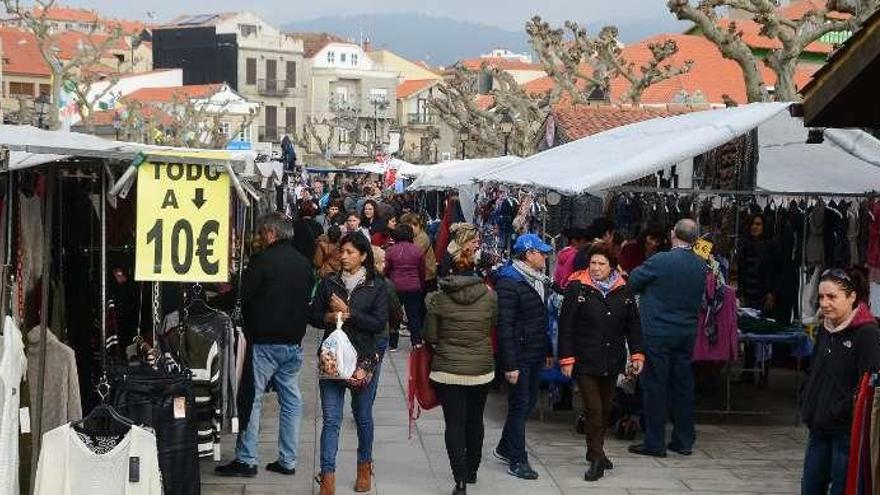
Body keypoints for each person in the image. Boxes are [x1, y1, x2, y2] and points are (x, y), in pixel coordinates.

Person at [216, 213, 314, 478]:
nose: (260, 237)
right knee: (291, 400)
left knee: (253, 398)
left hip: (264, 341)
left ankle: (247, 459)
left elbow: (242, 296)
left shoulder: (263, 262)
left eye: (262, 233)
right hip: (293, 341)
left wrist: (213, 302)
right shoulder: (304, 263)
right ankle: (288, 460)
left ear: (270, 233)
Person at [558, 242, 643, 482]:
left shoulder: (623, 289)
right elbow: (566, 327)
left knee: (606, 409)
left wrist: (637, 354)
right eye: (593, 263)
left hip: (612, 359)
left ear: (611, 266)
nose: (596, 268)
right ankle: (596, 459)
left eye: (601, 264)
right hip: (585, 360)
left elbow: (633, 326)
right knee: (594, 410)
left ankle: (596, 449)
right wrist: (566, 358)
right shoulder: (577, 288)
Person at [311, 233, 388, 494]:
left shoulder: (377, 285)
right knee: (331, 419)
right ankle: (328, 476)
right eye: (342, 251)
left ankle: (364, 467)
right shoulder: (328, 282)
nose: (343, 256)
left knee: (362, 415)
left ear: (364, 256)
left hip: (362, 358)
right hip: (332, 357)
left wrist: (350, 314)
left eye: (350, 252)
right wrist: (331, 316)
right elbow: (312, 316)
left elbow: (379, 324)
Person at [627, 219, 707, 458]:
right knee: (683, 386)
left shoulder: (661, 260)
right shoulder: (700, 264)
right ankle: (683, 440)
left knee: (655, 386)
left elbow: (633, 281)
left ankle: (655, 442)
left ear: (673, 234)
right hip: (686, 333)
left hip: (658, 333)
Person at [424, 244, 497, 495]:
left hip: (447, 368)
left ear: (451, 271)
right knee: (475, 420)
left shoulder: (439, 298)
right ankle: (473, 469)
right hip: (480, 368)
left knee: (454, 423)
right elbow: (491, 326)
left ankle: (460, 480)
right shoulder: (490, 296)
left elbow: (430, 334)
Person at [800, 268, 880, 495]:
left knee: (843, 489)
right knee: (810, 487)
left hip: (846, 433)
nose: (824, 303)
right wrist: (806, 399)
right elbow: (813, 370)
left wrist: (843, 409)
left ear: (852, 297)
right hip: (818, 427)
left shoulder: (867, 333)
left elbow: (870, 386)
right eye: (822, 297)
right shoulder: (826, 329)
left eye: (832, 297)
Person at [493, 233, 554, 480]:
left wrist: (547, 349)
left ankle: (505, 447)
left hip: (534, 351)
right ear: (529, 255)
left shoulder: (538, 280)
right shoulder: (509, 282)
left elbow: (541, 318)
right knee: (520, 406)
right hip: (519, 354)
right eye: (541, 252)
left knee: (527, 403)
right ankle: (518, 459)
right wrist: (510, 363)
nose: (546, 256)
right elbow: (504, 326)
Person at [384, 225, 426, 347]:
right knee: (414, 315)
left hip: (395, 286)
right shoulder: (417, 250)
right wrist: (421, 284)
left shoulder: (391, 250)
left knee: (394, 315)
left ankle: (393, 343)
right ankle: (416, 341)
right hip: (413, 286)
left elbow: (386, 269)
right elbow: (422, 270)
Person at [401, 213, 438, 292]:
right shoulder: (417, 236)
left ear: (417, 225)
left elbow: (412, 254)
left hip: (427, 277)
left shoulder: (422, 238)